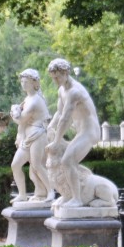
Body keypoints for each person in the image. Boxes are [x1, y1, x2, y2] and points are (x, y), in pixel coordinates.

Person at [46, 58, 100, 208]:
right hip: (81, 132)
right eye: (53, 78)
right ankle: (68, 195)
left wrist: (56, 141)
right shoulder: (62, 90)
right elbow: (58, 112)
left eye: (57, 77)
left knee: (67, 161)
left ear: (65, 73)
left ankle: (77, 198)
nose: (55, 81)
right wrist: (50, 126)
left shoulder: (74, 92)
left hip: (89, 132)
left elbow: (65, 118)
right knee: (67, 162)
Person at [9, 69, 52, 202]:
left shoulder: (35, 101)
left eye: (26, 82)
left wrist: (13, 113)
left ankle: (50, 192)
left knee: (37, 165)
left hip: (38, 135)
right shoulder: (27, 99)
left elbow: (21, 119)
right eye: (22, 81)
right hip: (27, 138)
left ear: (34, 83)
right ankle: (22, 194)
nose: (23, 84)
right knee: (15, 165)